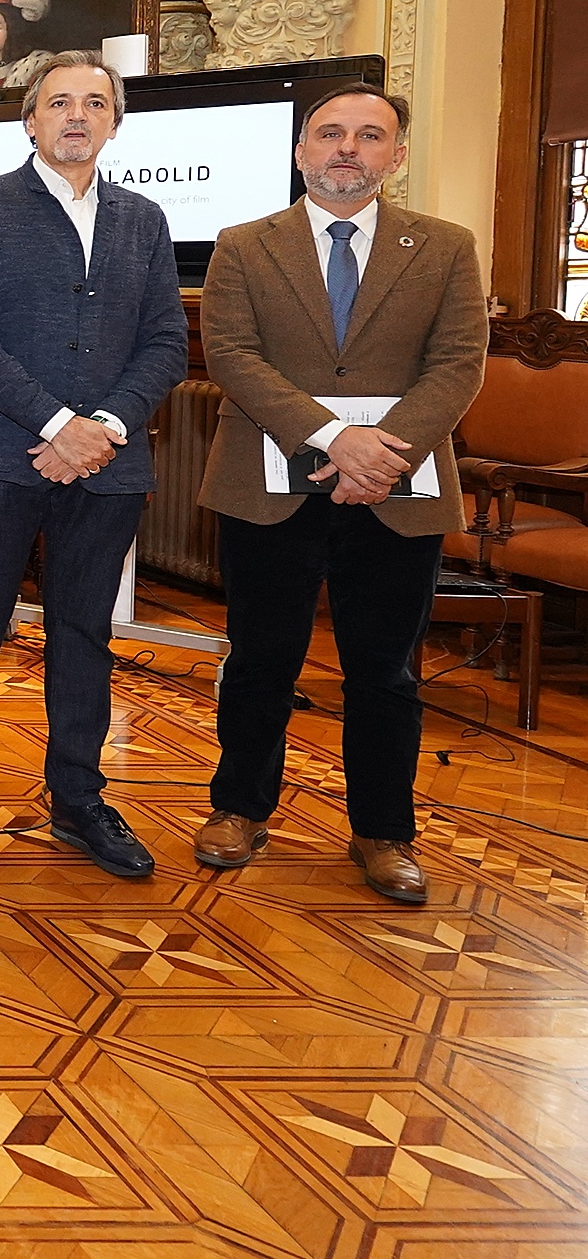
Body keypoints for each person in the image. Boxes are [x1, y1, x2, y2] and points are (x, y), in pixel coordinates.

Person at [192, 86, 486, 904]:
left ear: (397, 154)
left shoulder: (446, 246)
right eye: (329, 133)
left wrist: (380, 454)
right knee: (260, 659)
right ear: (302, 152)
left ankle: (383, 832)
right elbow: (232, 354)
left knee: (385, 670)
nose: (347, 148)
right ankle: (239, 809)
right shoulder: (243, 244)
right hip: (268, 485)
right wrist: (335, 437)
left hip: (398, 486)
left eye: (369, 135)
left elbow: (459, 362)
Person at [0, 50, 188, 876]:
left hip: (108, 464)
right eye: (60, 102)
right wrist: (59, 422)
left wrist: (101, 426)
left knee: (84, 633)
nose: (77, 115)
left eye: (94, 103)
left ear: (114, 123)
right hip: (2, 455)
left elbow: (166, 343)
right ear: (30, 119)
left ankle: (78, 798)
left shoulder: (144, 220)